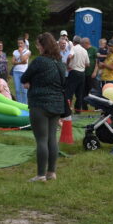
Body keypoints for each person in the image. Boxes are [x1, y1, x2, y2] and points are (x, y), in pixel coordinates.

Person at [21, 32, 67, 177]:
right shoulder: (59, 62)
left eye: (38, 45)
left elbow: (24, 77)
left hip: (40, 104)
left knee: (41, 139)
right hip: (57, 104)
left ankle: (40, 175)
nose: (37, 48)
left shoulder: (39, 61)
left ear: (43, 46)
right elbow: (63, 82)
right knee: (52, 138)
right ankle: (51, 172)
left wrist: (32, 82)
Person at [66, 34, 89, 112]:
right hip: (82, 73)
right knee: (79, 93)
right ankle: (78, 110)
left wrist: (68, 65)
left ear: (73, 42)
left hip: (74, 72)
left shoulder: (73, 48)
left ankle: (67, 109)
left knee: (69, 92)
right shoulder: (85, 50)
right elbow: (88, 64)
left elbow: (69, 56)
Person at [12, 37, 31, 104]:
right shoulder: (15, 51)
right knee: (17, 90)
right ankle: (19, 104)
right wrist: (20, 62)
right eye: (18, 43)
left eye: (21, 43)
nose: (20, 44)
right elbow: (12, 62)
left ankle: (25, 104)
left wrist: (20, 52)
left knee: (24, 90)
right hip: (15, 72)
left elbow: (24, 60)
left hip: (24, 72)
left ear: (24, 43)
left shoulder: (28, 51)